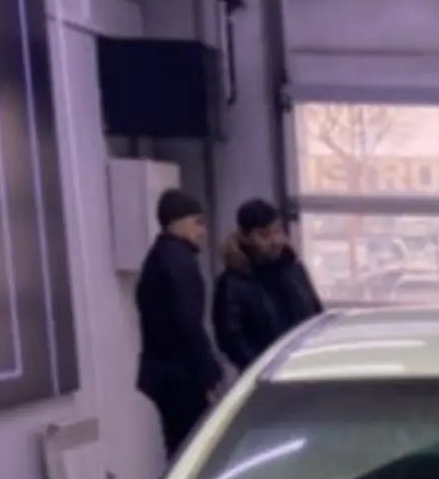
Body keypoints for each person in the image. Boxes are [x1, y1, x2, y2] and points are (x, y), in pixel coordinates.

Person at [134, 189, 221, 459]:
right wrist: (208, 376)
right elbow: (188, 322)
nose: (202, 231)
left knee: (178, 448)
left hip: (164, 374)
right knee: (192, 453)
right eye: (197, 222)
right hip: (182, 376)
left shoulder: (157, 257)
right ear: (177, 222)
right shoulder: (178, 261)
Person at [213, 198, 323, 374]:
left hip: (305, 367)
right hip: (265, 374)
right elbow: (230, 338)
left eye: (278, 232)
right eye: (264, 235)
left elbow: (316, 314)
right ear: (246, 238)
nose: (275, 240)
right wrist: (260, 367)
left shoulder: (294, 270)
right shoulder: (233, 283)